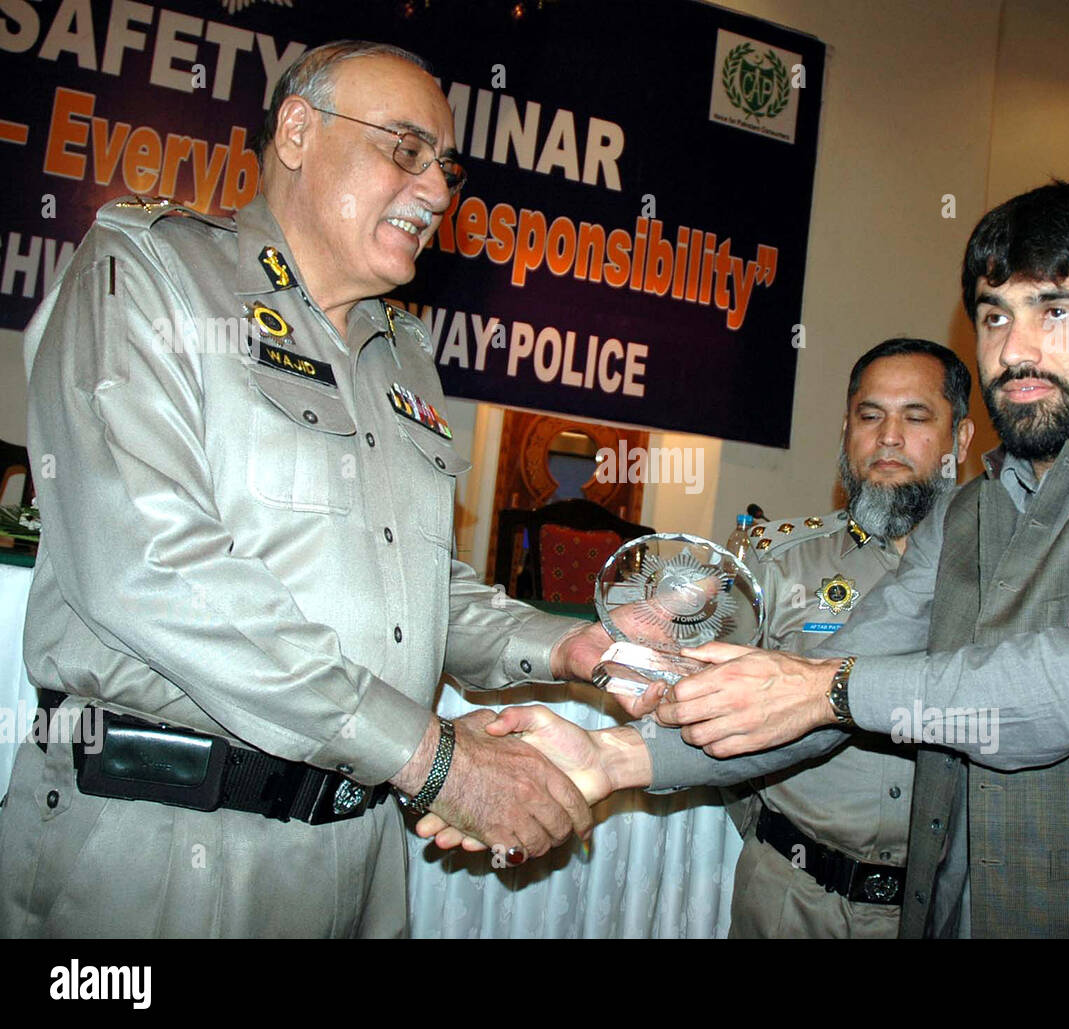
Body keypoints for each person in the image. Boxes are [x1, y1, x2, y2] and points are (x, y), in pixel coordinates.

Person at [425, 180, 1069, 937]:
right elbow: (819, 684)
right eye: (996, 315)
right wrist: (615, 759)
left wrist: (823, 687)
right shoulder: (974, 513)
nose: (1016, 348)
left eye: (1057, 310)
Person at [0, 40, 616, 938]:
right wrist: (435, 758)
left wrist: (571, 648)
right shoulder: (148, 274)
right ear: (297, 130)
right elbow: (150, 566)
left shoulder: (405, 353)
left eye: (447, 167)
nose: (439, 191)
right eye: (404, 150)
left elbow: (422, 583)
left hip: (357, 855)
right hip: (166, 846)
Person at [726, 339, 972, 938]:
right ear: (846, 431)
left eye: (916, 417)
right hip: (791, 899)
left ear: (960, 440)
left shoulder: (1005, 573)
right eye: (870, 416)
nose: (889, 436)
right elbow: (716, 718)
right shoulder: (773, 561)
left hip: (939, 912)